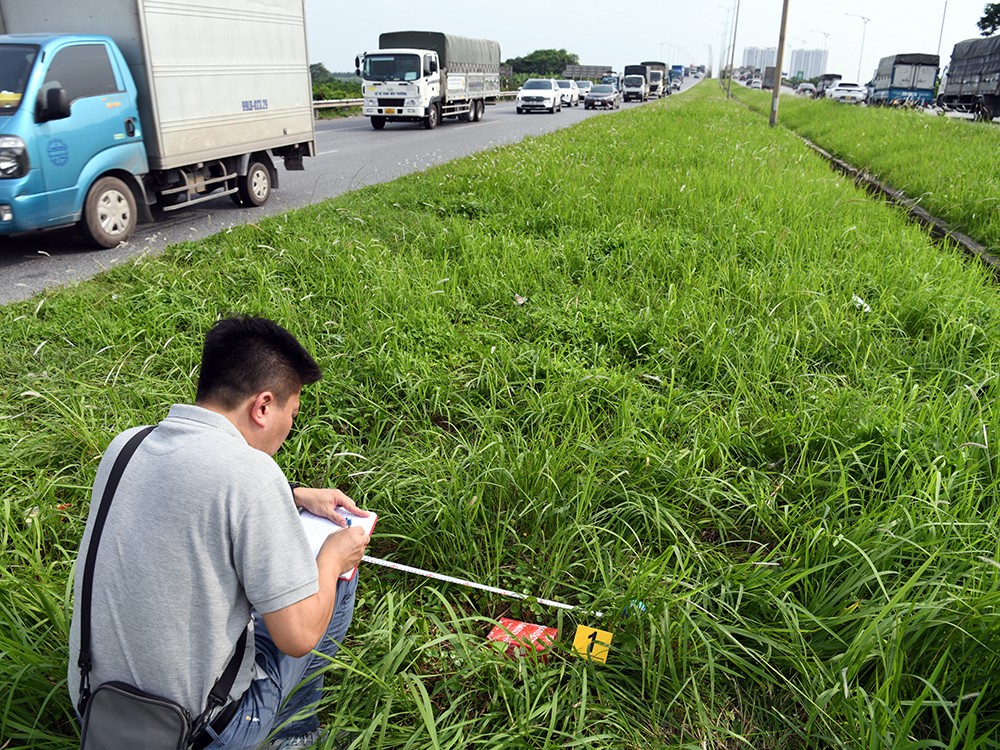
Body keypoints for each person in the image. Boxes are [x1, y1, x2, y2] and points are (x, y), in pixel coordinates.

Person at [68, 315, 371, 749]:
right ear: (263, 406)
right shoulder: (254, 476)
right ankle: (295, 736)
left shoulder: (126, 445)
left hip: (96, 707)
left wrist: (293, 493)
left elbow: (190, 489)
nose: (288, 430)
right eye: (293, 414)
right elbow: (299, 637)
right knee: (331, 582)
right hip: (196, 733)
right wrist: (331, 560)